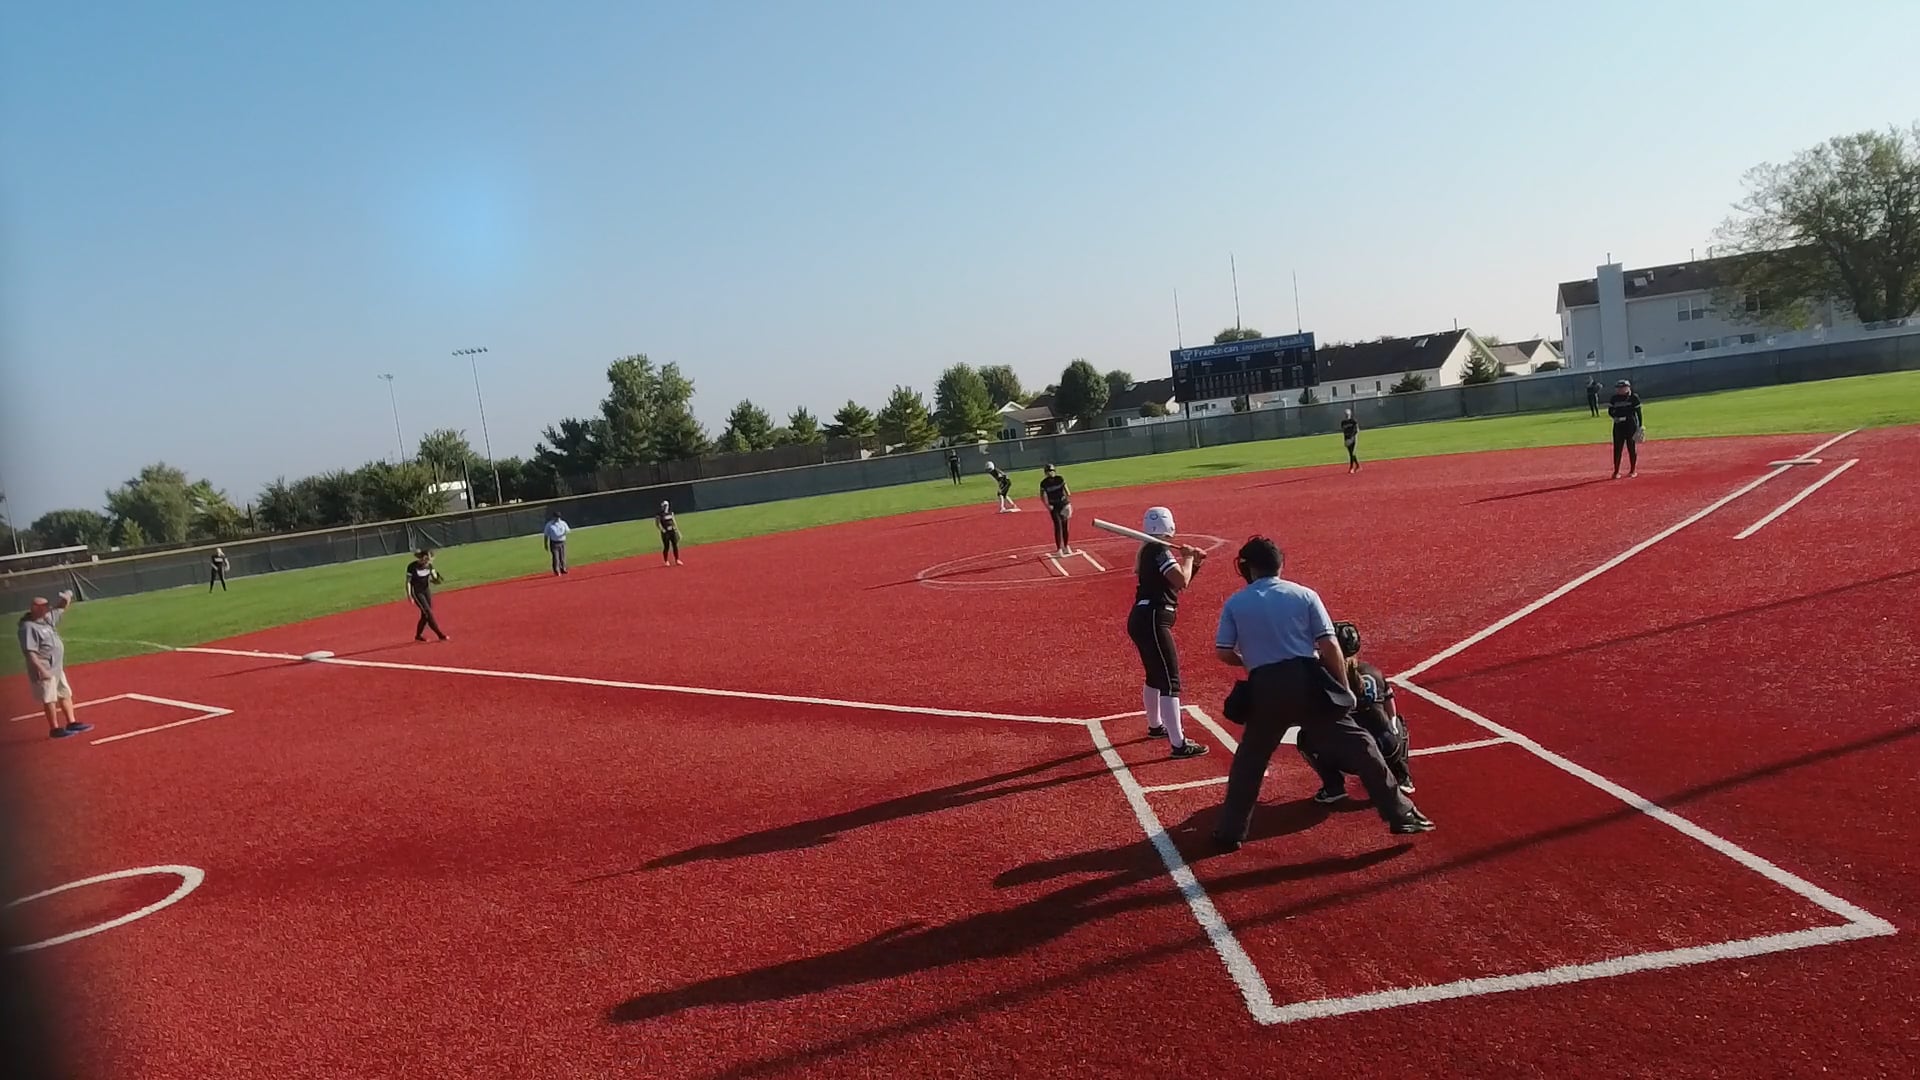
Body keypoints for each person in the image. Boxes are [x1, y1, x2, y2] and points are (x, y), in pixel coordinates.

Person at [1210, 536, 1432, 850]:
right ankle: (1400, 813)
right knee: (1361, 744)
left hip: (1265, 688)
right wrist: (1343, 688)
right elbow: (1329, 645)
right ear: (1280, 564)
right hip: (1307, 681)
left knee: (1250, 761)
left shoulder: (1236, 603)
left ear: (1248, 568)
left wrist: (1252, 661)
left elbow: (1223, 651)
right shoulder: (1304, 594)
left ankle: (1231, 832)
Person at [1300, 620, 1414, 802]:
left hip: (1350, 758)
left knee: (1305, 737)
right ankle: (1402, 776)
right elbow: (1390, 706)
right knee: (1397, 723)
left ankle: (1333, 787)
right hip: (1386, 749)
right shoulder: (1373, 672)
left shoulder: (1323, 678)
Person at [1127, 506, 1209, 759]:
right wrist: (1189, 558)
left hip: (1144, 617)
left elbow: (1177, 584)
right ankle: (1179, 744)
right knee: (1170, 681)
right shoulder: (1159, 550)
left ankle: (1155, 726)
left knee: (1155, 675)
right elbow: (1181, 580)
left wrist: (1194, 562)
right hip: (1153, 618)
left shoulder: (1149, 550)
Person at [19, 593, 93, 740]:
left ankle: (71, 722)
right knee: (50, 698)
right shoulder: (28, 627)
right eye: (44, 606)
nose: (48, 607)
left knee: (64, 693)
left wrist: (66, 597)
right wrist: (42, 670)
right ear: (35, 608)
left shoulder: (46, 619)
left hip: (56, 667)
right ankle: (55, 728)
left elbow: (61, 608)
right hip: (44, 668)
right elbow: (30, 653)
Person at [405, 549, 447, 642]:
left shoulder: (429, 566)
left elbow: (434, 578)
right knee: (428, 613)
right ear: (423, 558)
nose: (429, 561)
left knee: (425, 614)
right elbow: (408, 582)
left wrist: (437, 580)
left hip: (426, 591)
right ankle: (440, 634)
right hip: (417, 592)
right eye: (428, 559)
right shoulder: (412, 566)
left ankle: (418, 636)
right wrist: (409, 595)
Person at [1607, 378, 1644, 479]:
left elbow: (1638, 413)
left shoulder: (1634, 397)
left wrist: (1640, 426)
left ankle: (1632, 470)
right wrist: (1614, 417)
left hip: (1630, 425)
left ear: (1628, 388)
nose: (1620, 390)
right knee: (1617, 448)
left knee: (1631, 447)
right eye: (1618, 388)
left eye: (1622, 387)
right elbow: (1610, 411)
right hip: (1618, 425)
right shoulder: (1614, 398)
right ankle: (1616, 472)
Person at [1039, 464, 1072, 556]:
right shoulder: (1044, 483)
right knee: (1058, 525)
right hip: (1054, 506)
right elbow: (1042, 496)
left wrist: (1067, 503)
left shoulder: (1060, 479)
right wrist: (1047, 506)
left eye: (1051, 471)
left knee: (1064, 525)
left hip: (1063, 505)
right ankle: (1059, 549)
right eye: (1048, 471)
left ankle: (1066, 546)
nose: (1050, 473)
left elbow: (1068, 492)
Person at [543, 510, 571, 576]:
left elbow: (568, 530)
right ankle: (556, 571)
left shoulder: (563, 523)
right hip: (554, 543)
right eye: (556, 517)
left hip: (562, 542)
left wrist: (564, 533)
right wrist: (545, 544)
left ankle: (563, 569)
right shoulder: (549, 525)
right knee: (556, 558)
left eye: (558, 517)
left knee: (562, 557)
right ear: (553, 517)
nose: (557, 519)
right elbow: (546, 535)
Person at [657, 500, 683, 565]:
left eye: (666, 505)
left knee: (675, 545)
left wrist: (677, 531)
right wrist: (662, 529)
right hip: (665, 532)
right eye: (664, 506)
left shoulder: (671, 513)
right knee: (666, 546)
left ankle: (677, 559)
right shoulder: (659, 514)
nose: (665, 507)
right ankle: (666, 561)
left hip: (672, 531)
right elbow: (658, 523)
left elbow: (674, 521)